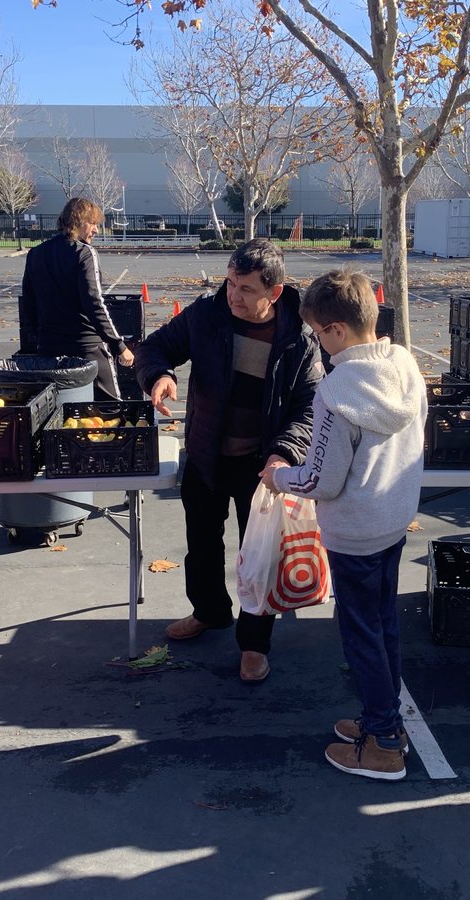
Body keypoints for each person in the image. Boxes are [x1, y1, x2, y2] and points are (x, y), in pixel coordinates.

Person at [262, 268, 425, 780]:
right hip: (392, 522)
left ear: (335, 329)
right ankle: (385, 721)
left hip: (354, 534)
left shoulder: (336, 391)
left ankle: (383, 743)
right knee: (383, 627)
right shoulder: (404, 364)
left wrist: (279, 476)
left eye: (318, 333)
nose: (317, 343)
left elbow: (321, 480)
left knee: (361, 637)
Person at [136, 238, 323, 682]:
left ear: (274, 292)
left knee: (259, 557)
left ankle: (254, 645)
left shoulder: (299, 338)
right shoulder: (207, 315)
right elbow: (153, 348)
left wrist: (284, 453)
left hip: (263, 465)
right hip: (206, 454)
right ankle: (209, 612)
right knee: (201, 545)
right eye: (230, 283)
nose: (233, 295)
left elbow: (310, 406)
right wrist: (159, 375)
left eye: (246, 289)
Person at [20, 197, 134, 400]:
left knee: (57, 407)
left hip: (49, 347)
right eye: (93, 223)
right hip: (86, 346)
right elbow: (94, 302)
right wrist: (119, 345)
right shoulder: (85, 253)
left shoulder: (36, 254)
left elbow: (28, 303)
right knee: (111, 406)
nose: (96, 230)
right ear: (78, 221)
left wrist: (37, 340)